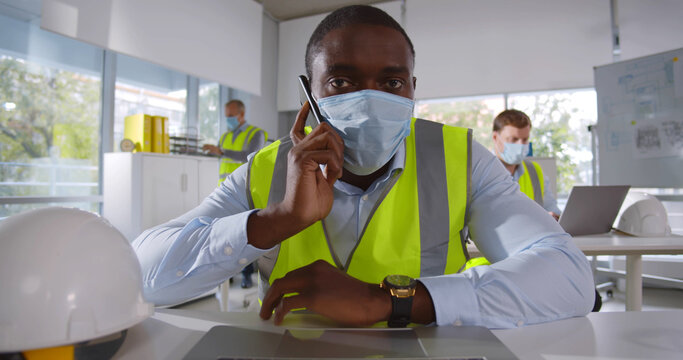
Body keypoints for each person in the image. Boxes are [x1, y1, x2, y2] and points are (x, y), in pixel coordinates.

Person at [133, 5, 594, 328]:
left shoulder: (459, 157)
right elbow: (144, 274)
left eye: (391, 81)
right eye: (342, 81)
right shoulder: (269, 170)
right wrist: (277, 219)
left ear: (413, 89)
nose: (372, 98)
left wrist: (388, 301)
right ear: (308, 94)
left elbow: (569, 277)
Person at [202, 99, 267, 288]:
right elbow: (221, 157)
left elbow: (250, 154)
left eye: (231, 116)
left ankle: (247, 275)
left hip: (245, 193)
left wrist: (221, 151)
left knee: (244, 236)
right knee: (223, 236)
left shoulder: (256, 133)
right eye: (226, 116)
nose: (228, 120)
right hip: (223, 193)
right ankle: (226, 276)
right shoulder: (224, 137)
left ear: (241, 114)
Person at [491, 109, 562, 220]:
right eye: (513, 139)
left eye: (525, 139)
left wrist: (553, 217)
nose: (520, 145)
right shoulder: (482, 172)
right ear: (495, 138)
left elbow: (552, 209)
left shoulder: (535, 171)